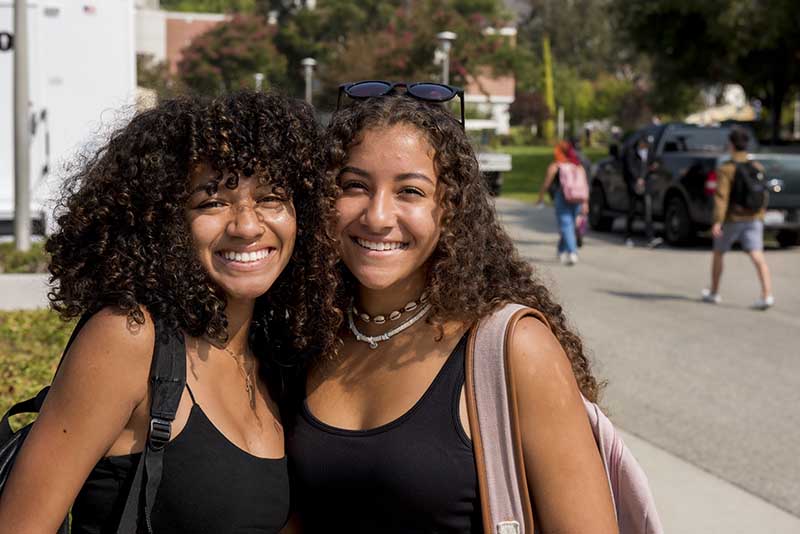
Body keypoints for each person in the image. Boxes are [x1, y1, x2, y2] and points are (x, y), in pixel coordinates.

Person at [0, 91, 340, 532]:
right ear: (163, 218)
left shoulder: (275, 355)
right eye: (212, 202)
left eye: (272, 197)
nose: (248, 225)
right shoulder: (130, 337)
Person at [286, 87, 618, 533]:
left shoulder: (512, 348)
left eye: (410, 191)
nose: (378, 216)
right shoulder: (310, 332)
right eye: (354, 186)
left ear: (451, 208)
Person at [702, 126, 773, 309]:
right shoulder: (757, 167)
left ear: (731, 144)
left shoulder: (726, 169)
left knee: (719, 253)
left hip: (733, 218)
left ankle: (714, 292)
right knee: (757, 255)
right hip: (754, 217)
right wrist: (760, 214)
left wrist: (717, 221)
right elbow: (763, 195)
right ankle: (767, 294)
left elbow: (721, 197)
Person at [537, 139, 589, 265]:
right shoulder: (578, 166)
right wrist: (586, 202)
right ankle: (561, 250)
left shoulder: (555, 166)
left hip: (562, 198)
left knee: (566, 226)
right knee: (569, 226)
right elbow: (585, 185)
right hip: (578, 199)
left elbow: (546, 184)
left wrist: (541, 197)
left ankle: (572, 252)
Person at [623, 135, 662, 248]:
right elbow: (630, 167)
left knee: (648, 212)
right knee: (632, 211)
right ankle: (628, 236)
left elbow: (653, 162)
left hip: (645, 185)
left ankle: (650, 238)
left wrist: (654, 166)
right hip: (634, 185)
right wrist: (637, 179)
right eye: (645, 144)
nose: (646, 146)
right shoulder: (631, 152)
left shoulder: (649, 151)